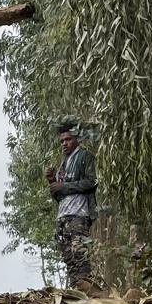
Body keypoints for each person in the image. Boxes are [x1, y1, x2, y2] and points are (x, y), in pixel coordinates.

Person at [47, 124, 97, 289]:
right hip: (62, 216)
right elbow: (60, 196)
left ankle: (87, 291)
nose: (64, 143)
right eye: (62, 141)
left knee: (80, 254)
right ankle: (76, 291)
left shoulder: (85, 156)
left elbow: (91, 182)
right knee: (68, 258)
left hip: (79, 214)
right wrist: (52, 182)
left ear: (77, 139)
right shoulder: (63, 164)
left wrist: (64, 186)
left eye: (68, 139)